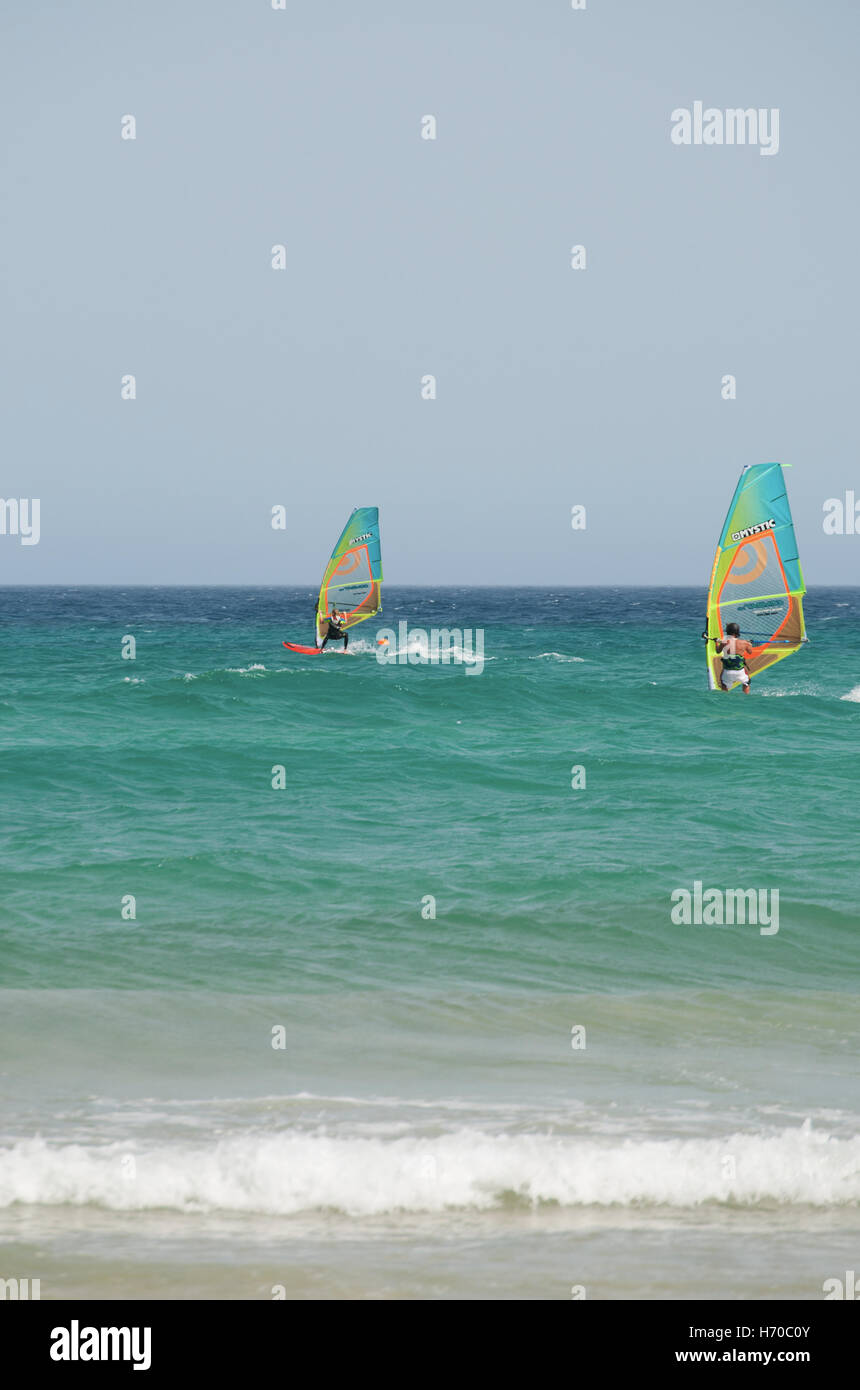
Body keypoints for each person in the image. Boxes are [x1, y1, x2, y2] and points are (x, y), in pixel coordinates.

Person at [715, 621, 754, 693]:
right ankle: (746, 697)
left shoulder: (724, 642)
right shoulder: (744, 643)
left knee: (723, 685)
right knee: (746, 682)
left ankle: (725, 699)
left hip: (727, 672)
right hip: (740, 672)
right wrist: (750, 644)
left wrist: (716, 642)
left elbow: (718, 651)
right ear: (737, 632)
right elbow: (750, 652)